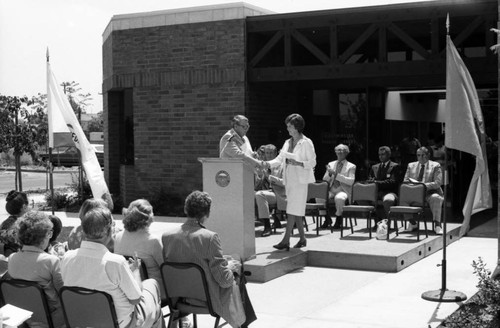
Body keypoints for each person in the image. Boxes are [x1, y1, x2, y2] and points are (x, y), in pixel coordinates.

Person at [162, 191, 256, 328]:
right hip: (208, 299)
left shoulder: (167, 236)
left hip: (179, 298)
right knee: (236, 267)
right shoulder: (210, 238)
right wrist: (230, 267)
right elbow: (224, 281)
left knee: (231, 264)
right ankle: (243, 323)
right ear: (207, 213)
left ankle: (243, 322)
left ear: (185, 209)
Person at [61, 207, 164, 328]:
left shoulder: (67, 258)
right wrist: (135, 271)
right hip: (120, 323)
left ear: (83, 230)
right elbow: (135, 299)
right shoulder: (115, 262)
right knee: (152, 285)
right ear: (109, 231)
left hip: (84, 321)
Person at [265, 114, 316, 249]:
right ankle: (303, 239)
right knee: (295, 209)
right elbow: (279, 159)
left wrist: (298, 163)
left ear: (297, 127)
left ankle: (286, 240)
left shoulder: (306, 142)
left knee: (292, 209)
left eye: (289, 126)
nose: (287, 128)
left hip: (300, 181)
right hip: (289, 180)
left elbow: (312, 162)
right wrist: (266, 164)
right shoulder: (287, 142)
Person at [8, 210, 65, 328]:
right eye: (49, 233)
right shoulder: (51, 261)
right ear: (43, 237)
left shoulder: (12, 259)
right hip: (51, 318)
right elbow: (63, 292)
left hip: (23, 317)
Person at [114, 199, 165, 300]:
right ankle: (178, 312)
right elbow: (165, 268)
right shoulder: (153, 241)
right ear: (149, 218)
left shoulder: (117, 237)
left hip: (128, 290)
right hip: (152, 292)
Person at [403, 146, 444, 235]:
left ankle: (437, 225)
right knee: (402, 199)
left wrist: (422, 186)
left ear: (428, 155)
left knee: (436, 198)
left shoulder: (435, 165)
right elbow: (405, 181)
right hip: (415, 193)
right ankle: (413, 223)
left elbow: (437, 183)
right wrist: (414, 187)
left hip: (430, 192)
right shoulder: (411, 165)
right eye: (418, 155)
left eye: (423, 155)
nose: (420, 157)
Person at [321, 144, 356, 230]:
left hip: (343, 190)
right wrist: (329, 173)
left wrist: (336, 174)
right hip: (331, 189)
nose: (339, 152)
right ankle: (326, 218)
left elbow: (351, 181)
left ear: (346, 153)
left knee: (339, 198)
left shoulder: (351, 166)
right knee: (320, 197)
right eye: (338, 150)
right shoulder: (331, 164)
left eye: (342, 150)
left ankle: (338, 219)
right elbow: (325, 179)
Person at [255, 144, 286, 237]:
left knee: (260, 195)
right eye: (267, 153)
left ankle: (267, 226)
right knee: (250, 194)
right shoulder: (263, 165)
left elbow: (285, 182)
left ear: (276, 153)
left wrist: (270, 177)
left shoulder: (282, 165)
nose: (268, 155)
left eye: (271, 153)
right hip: (268, 191)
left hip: (279, 193)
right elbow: (257, 184)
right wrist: (259, 175)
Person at [367, 146, 401, 227]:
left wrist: (376, 182)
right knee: (360, 198)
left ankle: (387, 223)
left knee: (388, 200)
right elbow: (370, 179)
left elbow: (393, 182)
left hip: (390, 192)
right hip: (376, 192)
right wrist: (371, 181)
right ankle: (376, 219)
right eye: (379, 155)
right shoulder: (374, 167)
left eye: (383, 154)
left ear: (389, 155)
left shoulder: (395, 166)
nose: (380, 156)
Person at [0, 190, 29, 256]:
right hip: (21, 259)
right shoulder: (24, 225)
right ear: (24, 207)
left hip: (5, 260)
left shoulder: (3, 224)